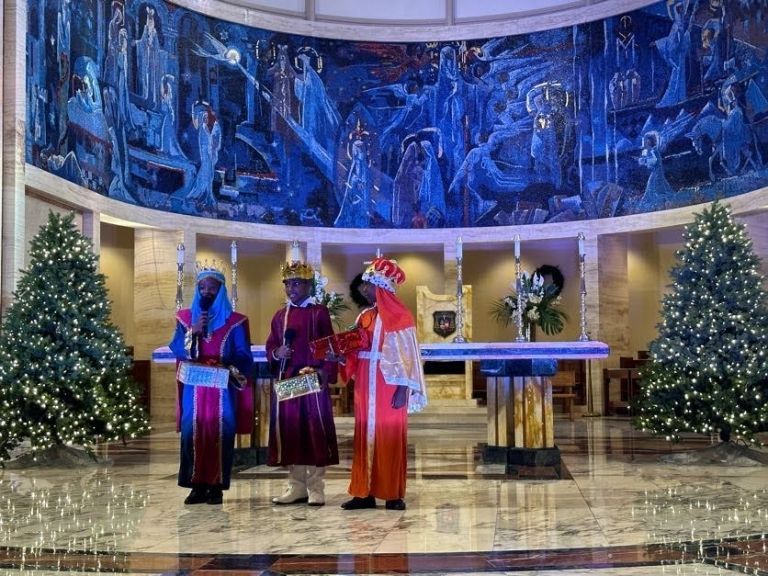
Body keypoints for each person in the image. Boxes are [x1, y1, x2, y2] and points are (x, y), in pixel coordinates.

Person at [340, 257, 427, 511]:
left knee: (389, 437)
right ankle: (363, 493)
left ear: (381, 288)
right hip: (365, 384)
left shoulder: (401, 317)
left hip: (390, 384)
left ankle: (392, 494)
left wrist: (404, 388)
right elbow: (355, 348)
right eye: (365, 285)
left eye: (368, 285)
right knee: (364, 435)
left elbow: (408, 357)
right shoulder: (364, 316)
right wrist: (341, 354)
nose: (363, 289)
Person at [169, 266, 253, 505]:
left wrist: (225, 366)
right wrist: (193, 332)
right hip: (194, 386)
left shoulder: (236, 321)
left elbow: (243, 355)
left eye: (212, 289)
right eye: (202, 288)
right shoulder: (185, 319)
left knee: (220, 431)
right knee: (192, 431)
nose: (207, 293)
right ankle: (195, 485)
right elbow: (177, 348)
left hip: (221, 387)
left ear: (221, 291)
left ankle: (215, 486)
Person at [265, 259, 339, 506]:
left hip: (312, 380)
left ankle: (316, 487)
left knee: (314, 433)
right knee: (291, 433)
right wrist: (278, 353)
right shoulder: (279, 316)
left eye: (297, 283)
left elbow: (329, 345)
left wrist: (323, 371)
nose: (291, 288)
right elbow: (271, 345)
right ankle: (296, 486)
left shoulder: (319, 312)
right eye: (287, 283)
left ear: (308, 285)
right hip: (289, 381)